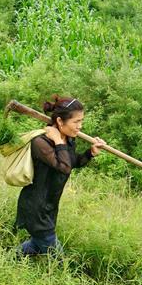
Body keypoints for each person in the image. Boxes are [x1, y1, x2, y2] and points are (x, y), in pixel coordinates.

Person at [16, 96, 106, 256]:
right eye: (76, 122)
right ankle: (61, 274)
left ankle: (12, 257)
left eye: (81, 121)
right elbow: (63, 168)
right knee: (56, 256)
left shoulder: (68, 139)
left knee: (36, 244)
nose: (80, 126)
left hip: (50, 205)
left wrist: (91, 153)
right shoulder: (41, 142)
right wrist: (58, 140)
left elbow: (72, 162)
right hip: (36, 207)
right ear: (60, 121)